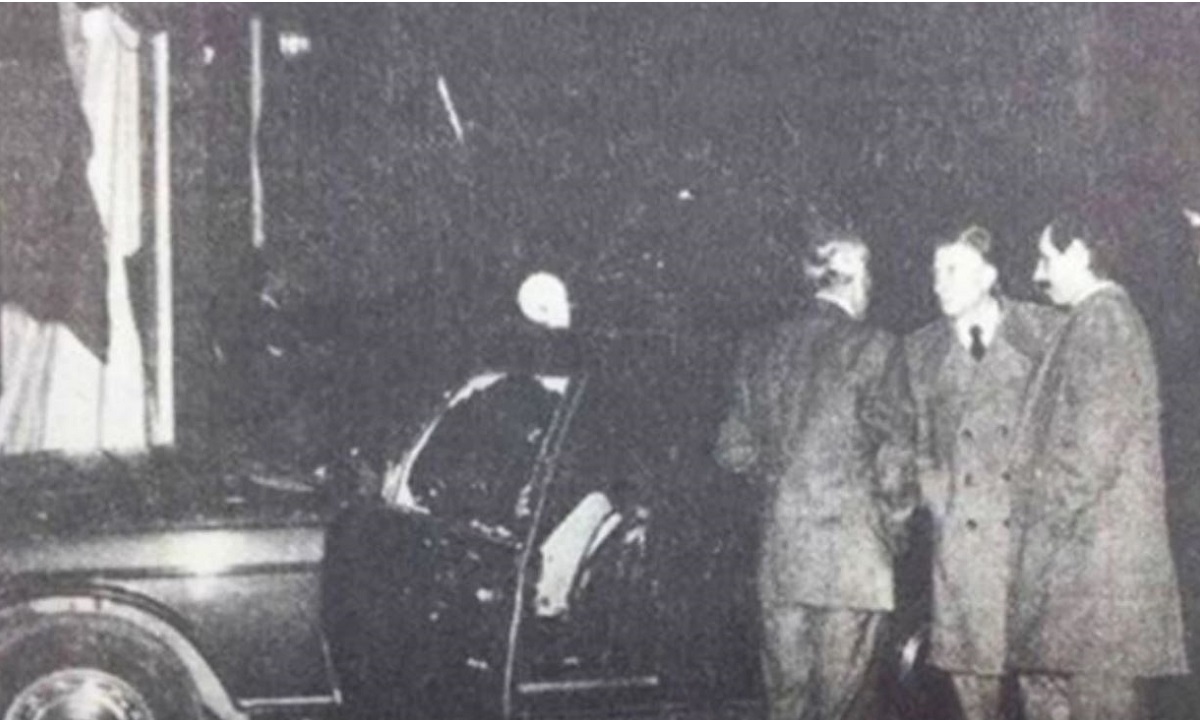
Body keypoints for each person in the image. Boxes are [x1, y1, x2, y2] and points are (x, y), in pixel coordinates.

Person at [715, 227, 914, 720]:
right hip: (852, 561)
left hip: (782, 557)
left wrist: (783, 487)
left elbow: (732, 450)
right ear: (852, 278)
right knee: (844, 706)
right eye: (868, 273)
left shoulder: (760, 348)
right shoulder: (876, 347)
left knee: (786, 704)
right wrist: (894, 533)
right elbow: (896, 459)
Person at [1007, 210, 1188, 719]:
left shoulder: (1105, 322)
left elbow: (1085, 461)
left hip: (1097, 599)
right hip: (1078, 598)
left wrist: (1028, 536)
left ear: (1081, 253)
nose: (1038, 274)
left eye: (1047, 258)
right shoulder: (1088, 322)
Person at [903, 225, 1061, 720]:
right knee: (974, 687)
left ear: (989, 276)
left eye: (953, 270)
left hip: (1035, 543)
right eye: (935, 271)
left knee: (1048, 685)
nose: (939, 284)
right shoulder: (919, 350)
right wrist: (936, 495)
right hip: (964, 547)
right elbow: (913, 441)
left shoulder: (1046, 332)